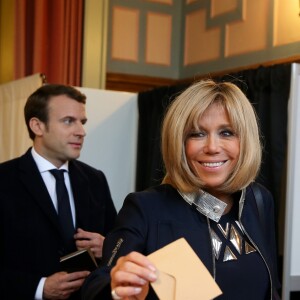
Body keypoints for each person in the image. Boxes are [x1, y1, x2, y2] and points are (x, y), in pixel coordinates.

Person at [82, 79, 281, 300]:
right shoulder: (145, 208)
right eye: (197, 134)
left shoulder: (259, 200)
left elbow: (272, 289)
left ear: (246, 141)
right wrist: (117, 289)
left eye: (226, 133)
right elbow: (96, 286)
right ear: (179, 142)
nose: (212, 147)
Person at [0, 84, 117, 299]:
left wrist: (108, 246)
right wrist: (39, 287)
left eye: (82, 122)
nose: (81, 132)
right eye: (68, 121)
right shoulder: (4, 180)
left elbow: (119, 240)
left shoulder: (95, 180)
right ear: (37, 126)